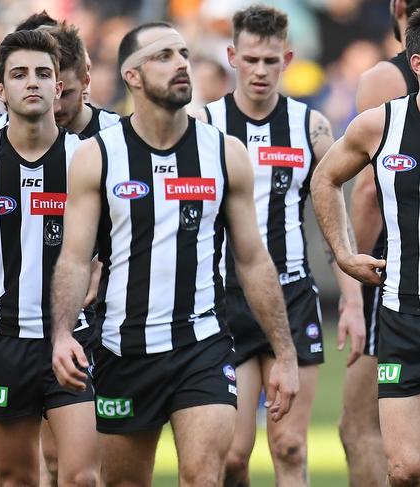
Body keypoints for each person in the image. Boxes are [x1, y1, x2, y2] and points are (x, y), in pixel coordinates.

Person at [51, 21, 298, 486]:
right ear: (132, 76)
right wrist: (63, 333)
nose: (182, 63)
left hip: (201, 346)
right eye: (164, 56)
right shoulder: (97, 156)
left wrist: (284, 353)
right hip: (124, 350)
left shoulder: (224, 153)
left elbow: (252, 260)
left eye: (183, 53)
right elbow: (73, 258)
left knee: (206, 476)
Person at [197, 6, 364, 486]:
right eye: (251, 60)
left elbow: (333, 216)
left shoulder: (310, 127)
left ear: (287, 58)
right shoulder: (206, 125)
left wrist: (350, 301)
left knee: (289, 446)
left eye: (271, 61)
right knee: (232, 455)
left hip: (292, 295)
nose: (261, 71)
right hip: (226, 300)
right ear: (232, 57)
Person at [0, 29, 99, 486]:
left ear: (59, 87)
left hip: (73, 337)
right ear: (0, 89)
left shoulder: (89, 158)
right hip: (2, 340)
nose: (32, 82)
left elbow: (125, 225)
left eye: (43, 73)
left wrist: (103, 261)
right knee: (14, 477)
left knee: (83, 476)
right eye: (19, 74)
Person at [311, 11, 420, 487]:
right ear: (418, 64)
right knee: (404, 469)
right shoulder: (381, 125)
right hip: (402, 312)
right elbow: (325, 179)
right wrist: (344, 253)